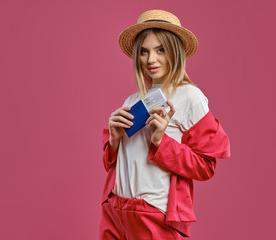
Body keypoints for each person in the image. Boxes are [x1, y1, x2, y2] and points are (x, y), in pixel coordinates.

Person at [99, 9, 230, 240]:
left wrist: (161, 142)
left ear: (175, 52)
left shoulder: (190, 96)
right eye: (144, 51)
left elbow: (206, 165)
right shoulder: (132, 100)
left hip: (153, 210)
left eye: (160, 50)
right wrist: (114, 139)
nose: (151, 59)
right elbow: (116, 163)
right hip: (115, 210)